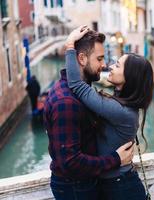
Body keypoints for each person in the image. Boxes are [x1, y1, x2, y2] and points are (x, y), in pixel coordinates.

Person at [43, 26, 134, 200]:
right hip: (77, 188)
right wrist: (115, 159)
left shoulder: (79, 93)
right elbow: (70, 163)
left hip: (84, 185)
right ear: (82, 58)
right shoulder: (66, 103)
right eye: (99, 59)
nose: (104, 64)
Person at [65, 26, 154, 200]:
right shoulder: (121, 105)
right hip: (115, 184)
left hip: (121, 187)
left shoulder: (121, 111)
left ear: (129, 76)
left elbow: (76, 84)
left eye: (117, 65)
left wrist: (69, 46)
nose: (110, 66)